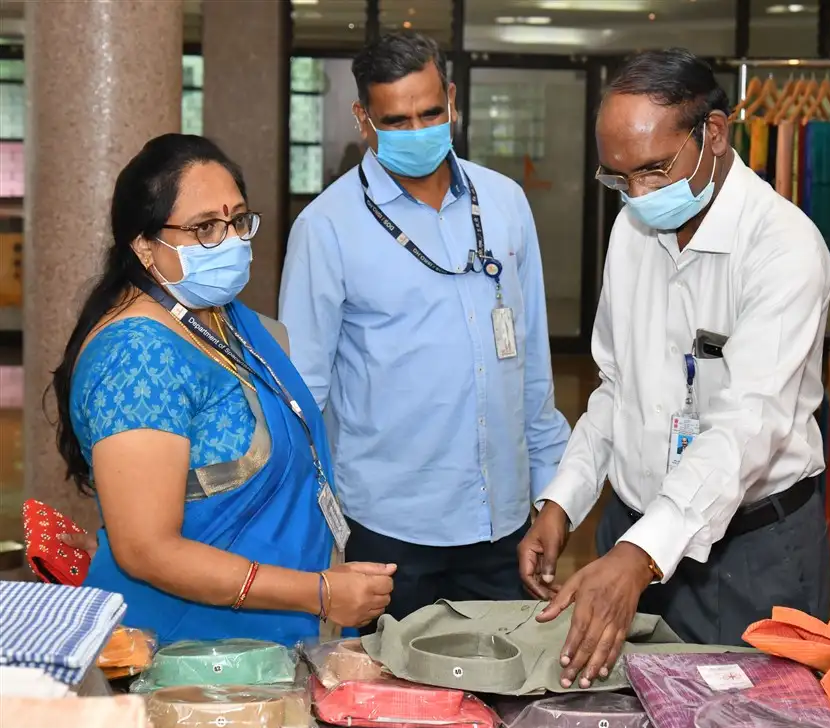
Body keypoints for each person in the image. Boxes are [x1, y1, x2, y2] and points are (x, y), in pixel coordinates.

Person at [519, 49, 830, 688]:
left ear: (713, 133)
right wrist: (563, 499)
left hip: (748, 554)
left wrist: (640, 555)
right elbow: (614, 387)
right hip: (632, 531)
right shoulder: (633, 231)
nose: (638, 195)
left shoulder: (785, 249)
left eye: (655, 170)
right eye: (619, 177)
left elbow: (746, 427)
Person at [50, 134, 395, 646]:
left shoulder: (221, 318)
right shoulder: (138, 356)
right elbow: (147, 550)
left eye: (238, 220)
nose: (231, 241)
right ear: (144, 245)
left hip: (265, 635)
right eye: (205, 228)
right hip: (184, 654)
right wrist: (317, 592)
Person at [280, 32, 569, 625]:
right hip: (389, 535)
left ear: (453, 101)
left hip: (503, 526)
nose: (418, 132)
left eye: (431, 113)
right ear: (364, 118)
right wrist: (320, 536)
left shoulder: (507, 202)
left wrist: (550, 497)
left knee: (503, 702)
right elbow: (303, 396)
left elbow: (532, 366)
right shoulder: (326, 227)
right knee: (391, 703)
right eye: (397, 120)